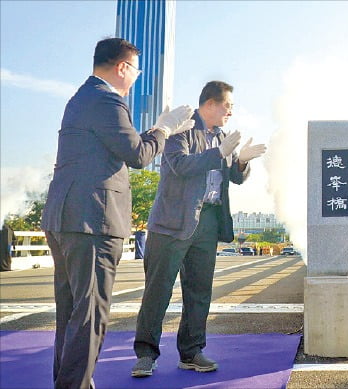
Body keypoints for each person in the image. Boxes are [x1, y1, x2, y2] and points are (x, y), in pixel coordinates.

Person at [40, 37, 194, 389]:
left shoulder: (83, 97)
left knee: (73, 312)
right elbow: (138, 156)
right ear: (123, 67)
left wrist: (160, 131)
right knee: (90, 313)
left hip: (66, 218)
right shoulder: (108, 99)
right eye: (136, 69)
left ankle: (72, 381)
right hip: (92, 219)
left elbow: (120, 145)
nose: (136, 77)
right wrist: (165, 128)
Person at [132, 81, 266, 377]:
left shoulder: (222, 137)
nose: (231, 111)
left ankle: (191, 352)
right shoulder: (181, 128)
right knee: (158, 291)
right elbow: (181, 165)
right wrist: (220, 153)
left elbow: (234, 177)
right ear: (209, 104)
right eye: (227, 105)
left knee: (199, 291)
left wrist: (241, 160)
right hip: (171, 223)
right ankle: (145, 354)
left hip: (207, 222)